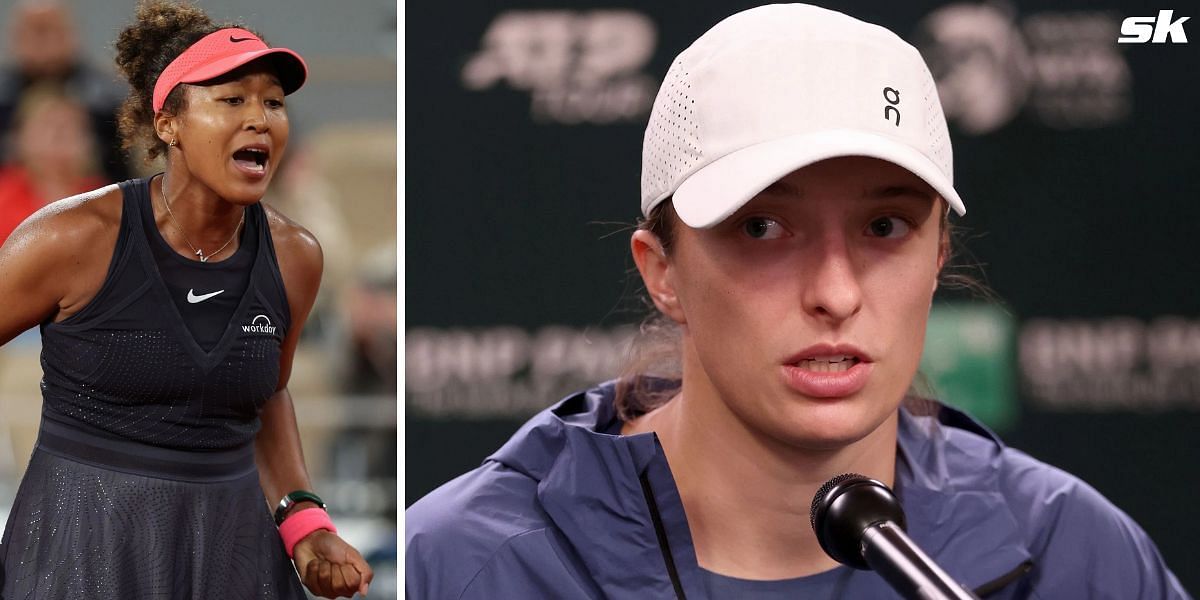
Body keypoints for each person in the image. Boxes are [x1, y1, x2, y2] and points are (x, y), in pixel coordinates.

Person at [405, 4, 1190, 599]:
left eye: (884, 226)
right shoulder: (461, 566)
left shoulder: (1074, 555)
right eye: (763, 227)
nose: (836, 293)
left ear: (938, 256)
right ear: (662, 271)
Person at [0, 1, 373, 598]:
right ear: (168, 124)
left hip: (232, 548)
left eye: (272, 102)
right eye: (232, 100)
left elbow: (267, 393)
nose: (260, 119)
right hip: (80, 544)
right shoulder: (70, 238)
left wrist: (305, 520)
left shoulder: (296, 256)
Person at [0, 0, 129, 183]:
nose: (42, 42)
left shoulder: (108, 99)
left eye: (50, 30)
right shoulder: (4, 98)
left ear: (72, 34)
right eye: (34, 31)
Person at [0, 83, 108, 245]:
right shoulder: (4, 193)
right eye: (47, 125)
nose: (58, 136)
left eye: (70, 126)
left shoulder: (106, 198)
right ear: (20, 136)